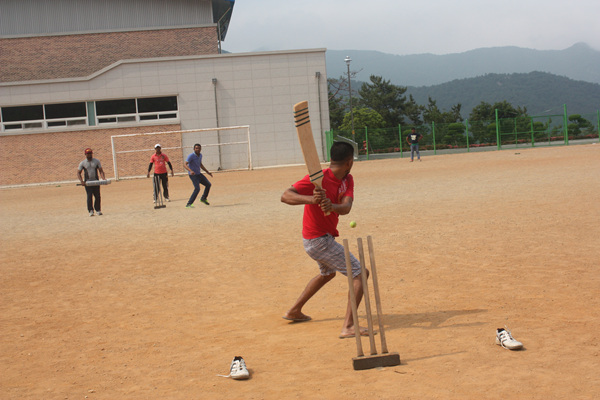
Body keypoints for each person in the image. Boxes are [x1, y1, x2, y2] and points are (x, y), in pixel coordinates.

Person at [281, 141, 370, 339]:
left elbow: (346, 208)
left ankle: (293, 311)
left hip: (323, 238)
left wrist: (331, 206)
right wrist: (312, 199)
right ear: (349, 161)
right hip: (318, 241)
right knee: (360, 274)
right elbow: (286, 196)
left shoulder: (348, 179)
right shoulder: (317, 178)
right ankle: (348, 326)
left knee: (328, 273)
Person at [77, 148, 106, 216]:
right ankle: (91, 210)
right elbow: (78, 173)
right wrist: (82, 181)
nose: (89, 155)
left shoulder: (96, 161)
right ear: (85, 154)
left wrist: (103, 178)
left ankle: (98, 210)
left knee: (97, 196)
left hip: (96, 181)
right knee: (89, 196)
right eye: (88, 154)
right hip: (88, 183)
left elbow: (101, 170)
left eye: (90, 153)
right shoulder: (83, 163)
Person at [184, 143, 213, 208]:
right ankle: (189, 204)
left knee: (208, 184)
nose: (198, 149)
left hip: (199, 174)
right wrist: (190, 170)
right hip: (193, 175)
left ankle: (203, 198)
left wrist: (207, 172)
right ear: (194, 149)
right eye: (196, 148)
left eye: (199, 148)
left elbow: (200, 165)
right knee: (197, 188)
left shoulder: (200, 155)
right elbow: (185, 164)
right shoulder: (191, 156)